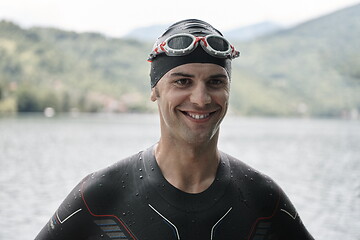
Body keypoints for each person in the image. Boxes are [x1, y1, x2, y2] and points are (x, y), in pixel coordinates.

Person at [36, 19, 314, 240]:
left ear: (229, 90)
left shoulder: (262, 198)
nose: (201, 98)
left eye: (216, 82)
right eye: (182, 82)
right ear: (155, 90)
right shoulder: (100, 194)